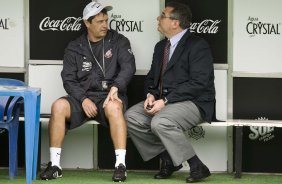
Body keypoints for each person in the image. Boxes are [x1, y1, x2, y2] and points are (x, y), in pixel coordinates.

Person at [39, 1, 135, 182]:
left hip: (109, 96)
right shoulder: (75, 46)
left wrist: (116, 87)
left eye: (106, 20)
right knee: (58, 106)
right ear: (87, 23)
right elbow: (68, 79)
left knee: (115, 108)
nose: (105, 25)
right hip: (82, 98)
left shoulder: (119, 41)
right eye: (99, 21)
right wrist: (83, 99)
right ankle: (54, 165)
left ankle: (120, 166)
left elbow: (128, 67)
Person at [125, 2, 215, 183]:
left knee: (160, 121)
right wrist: (151, 95)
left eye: (163, 15)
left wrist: (165, 101)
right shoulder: (161, 47)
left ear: (175, 23)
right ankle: (170, 158)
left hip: (195, 103)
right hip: (165, 103)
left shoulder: (198, 45)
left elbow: (199, 83)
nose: (158, 18)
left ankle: (196, 165)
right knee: (131, 116)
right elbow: (152, 78)